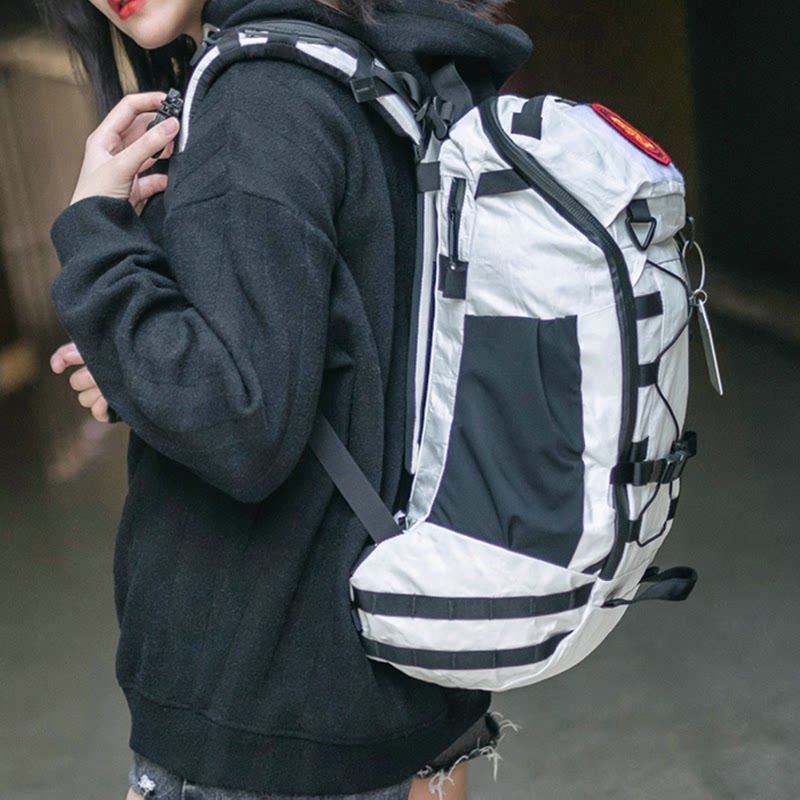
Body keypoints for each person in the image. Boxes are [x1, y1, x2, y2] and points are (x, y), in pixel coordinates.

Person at [44, 0, 532, 797]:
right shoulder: (375, 70)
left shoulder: (258, 97)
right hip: (397, 680)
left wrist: (91, 232)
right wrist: (139, 369)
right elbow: (340, 355)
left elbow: (243, 428)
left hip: (269, 710)